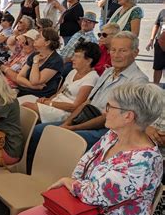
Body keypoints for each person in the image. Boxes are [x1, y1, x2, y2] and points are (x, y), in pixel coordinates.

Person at [14, 83, 164, 215]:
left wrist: (70, 184)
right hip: (83, 207)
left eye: (110, 107)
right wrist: (76, 184)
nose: (105, 111)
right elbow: (83, 166)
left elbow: (97, 195)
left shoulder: (145, 161)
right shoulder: (113, 135)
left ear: (128, 116)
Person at [26, 31, 149, 172]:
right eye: (113, 50)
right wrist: (67, 123)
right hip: (86, 118)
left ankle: (53, 176)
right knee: (38, 131)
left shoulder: (138, 81)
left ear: (135, 52)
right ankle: (31, 171)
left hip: (108, 130)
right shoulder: (109, 72)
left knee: (60, 138)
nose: (116, 55)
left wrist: (73, 128)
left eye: (122, 51)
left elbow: (109, 117)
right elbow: (87, 102)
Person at [21, 42, 100, 123]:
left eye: (77, 57)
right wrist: (47, 99)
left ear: (89, 61)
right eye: (74, 55)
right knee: (21, 104)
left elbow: (74, 107)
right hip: (55, 104)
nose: (72, 59)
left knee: (26, 106)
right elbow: (59, 93)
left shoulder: (92, 78)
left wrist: (49, 103)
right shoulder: (73, 72)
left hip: (65, 112)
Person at [16, 27, 63, 98]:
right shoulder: (35, 54)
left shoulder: (56, 60)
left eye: (39, 37)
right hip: (26, 90)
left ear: (47, 43)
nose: (35, 38)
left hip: (40, 95)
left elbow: (35, 81)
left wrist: (35, 62)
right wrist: (31, 86)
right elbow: (19, 77)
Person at [146, 8, 165, 84]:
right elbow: (156, 25)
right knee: (157, 67)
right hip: (159, 44)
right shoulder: (162, 12)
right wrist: (151, 39)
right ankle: (155, 87)